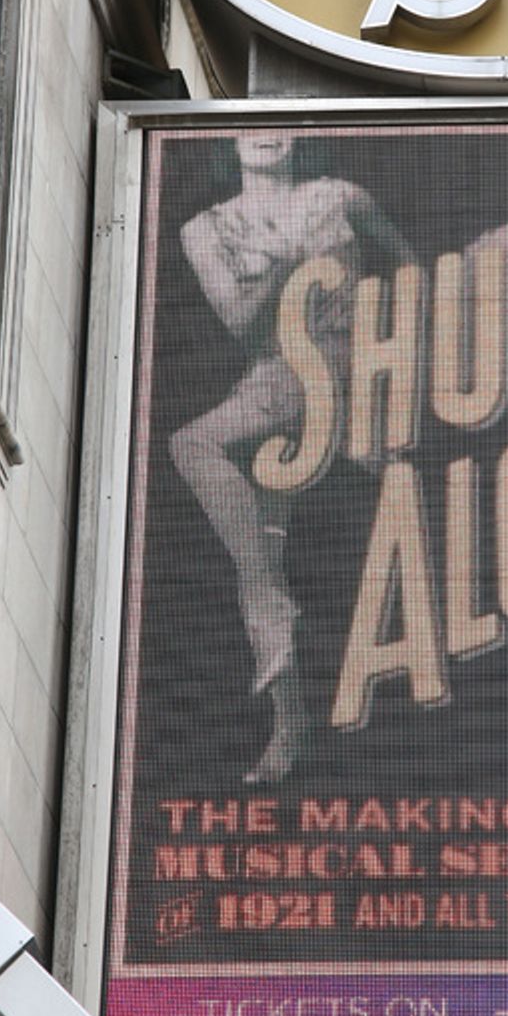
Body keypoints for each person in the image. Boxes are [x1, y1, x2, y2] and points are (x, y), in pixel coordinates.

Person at [169, 129, 411, 783]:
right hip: (280, 382)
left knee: (399, 535)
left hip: (358, 375)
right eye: (251, 126)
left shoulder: (343, 197)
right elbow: (241, 320)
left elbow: (412, 273)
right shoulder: (205, 229)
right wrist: (288, 265)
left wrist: (394, 354)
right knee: (194, 446)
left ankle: (387, 699)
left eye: (280, 123)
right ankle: (285, 706)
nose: (266, 135)